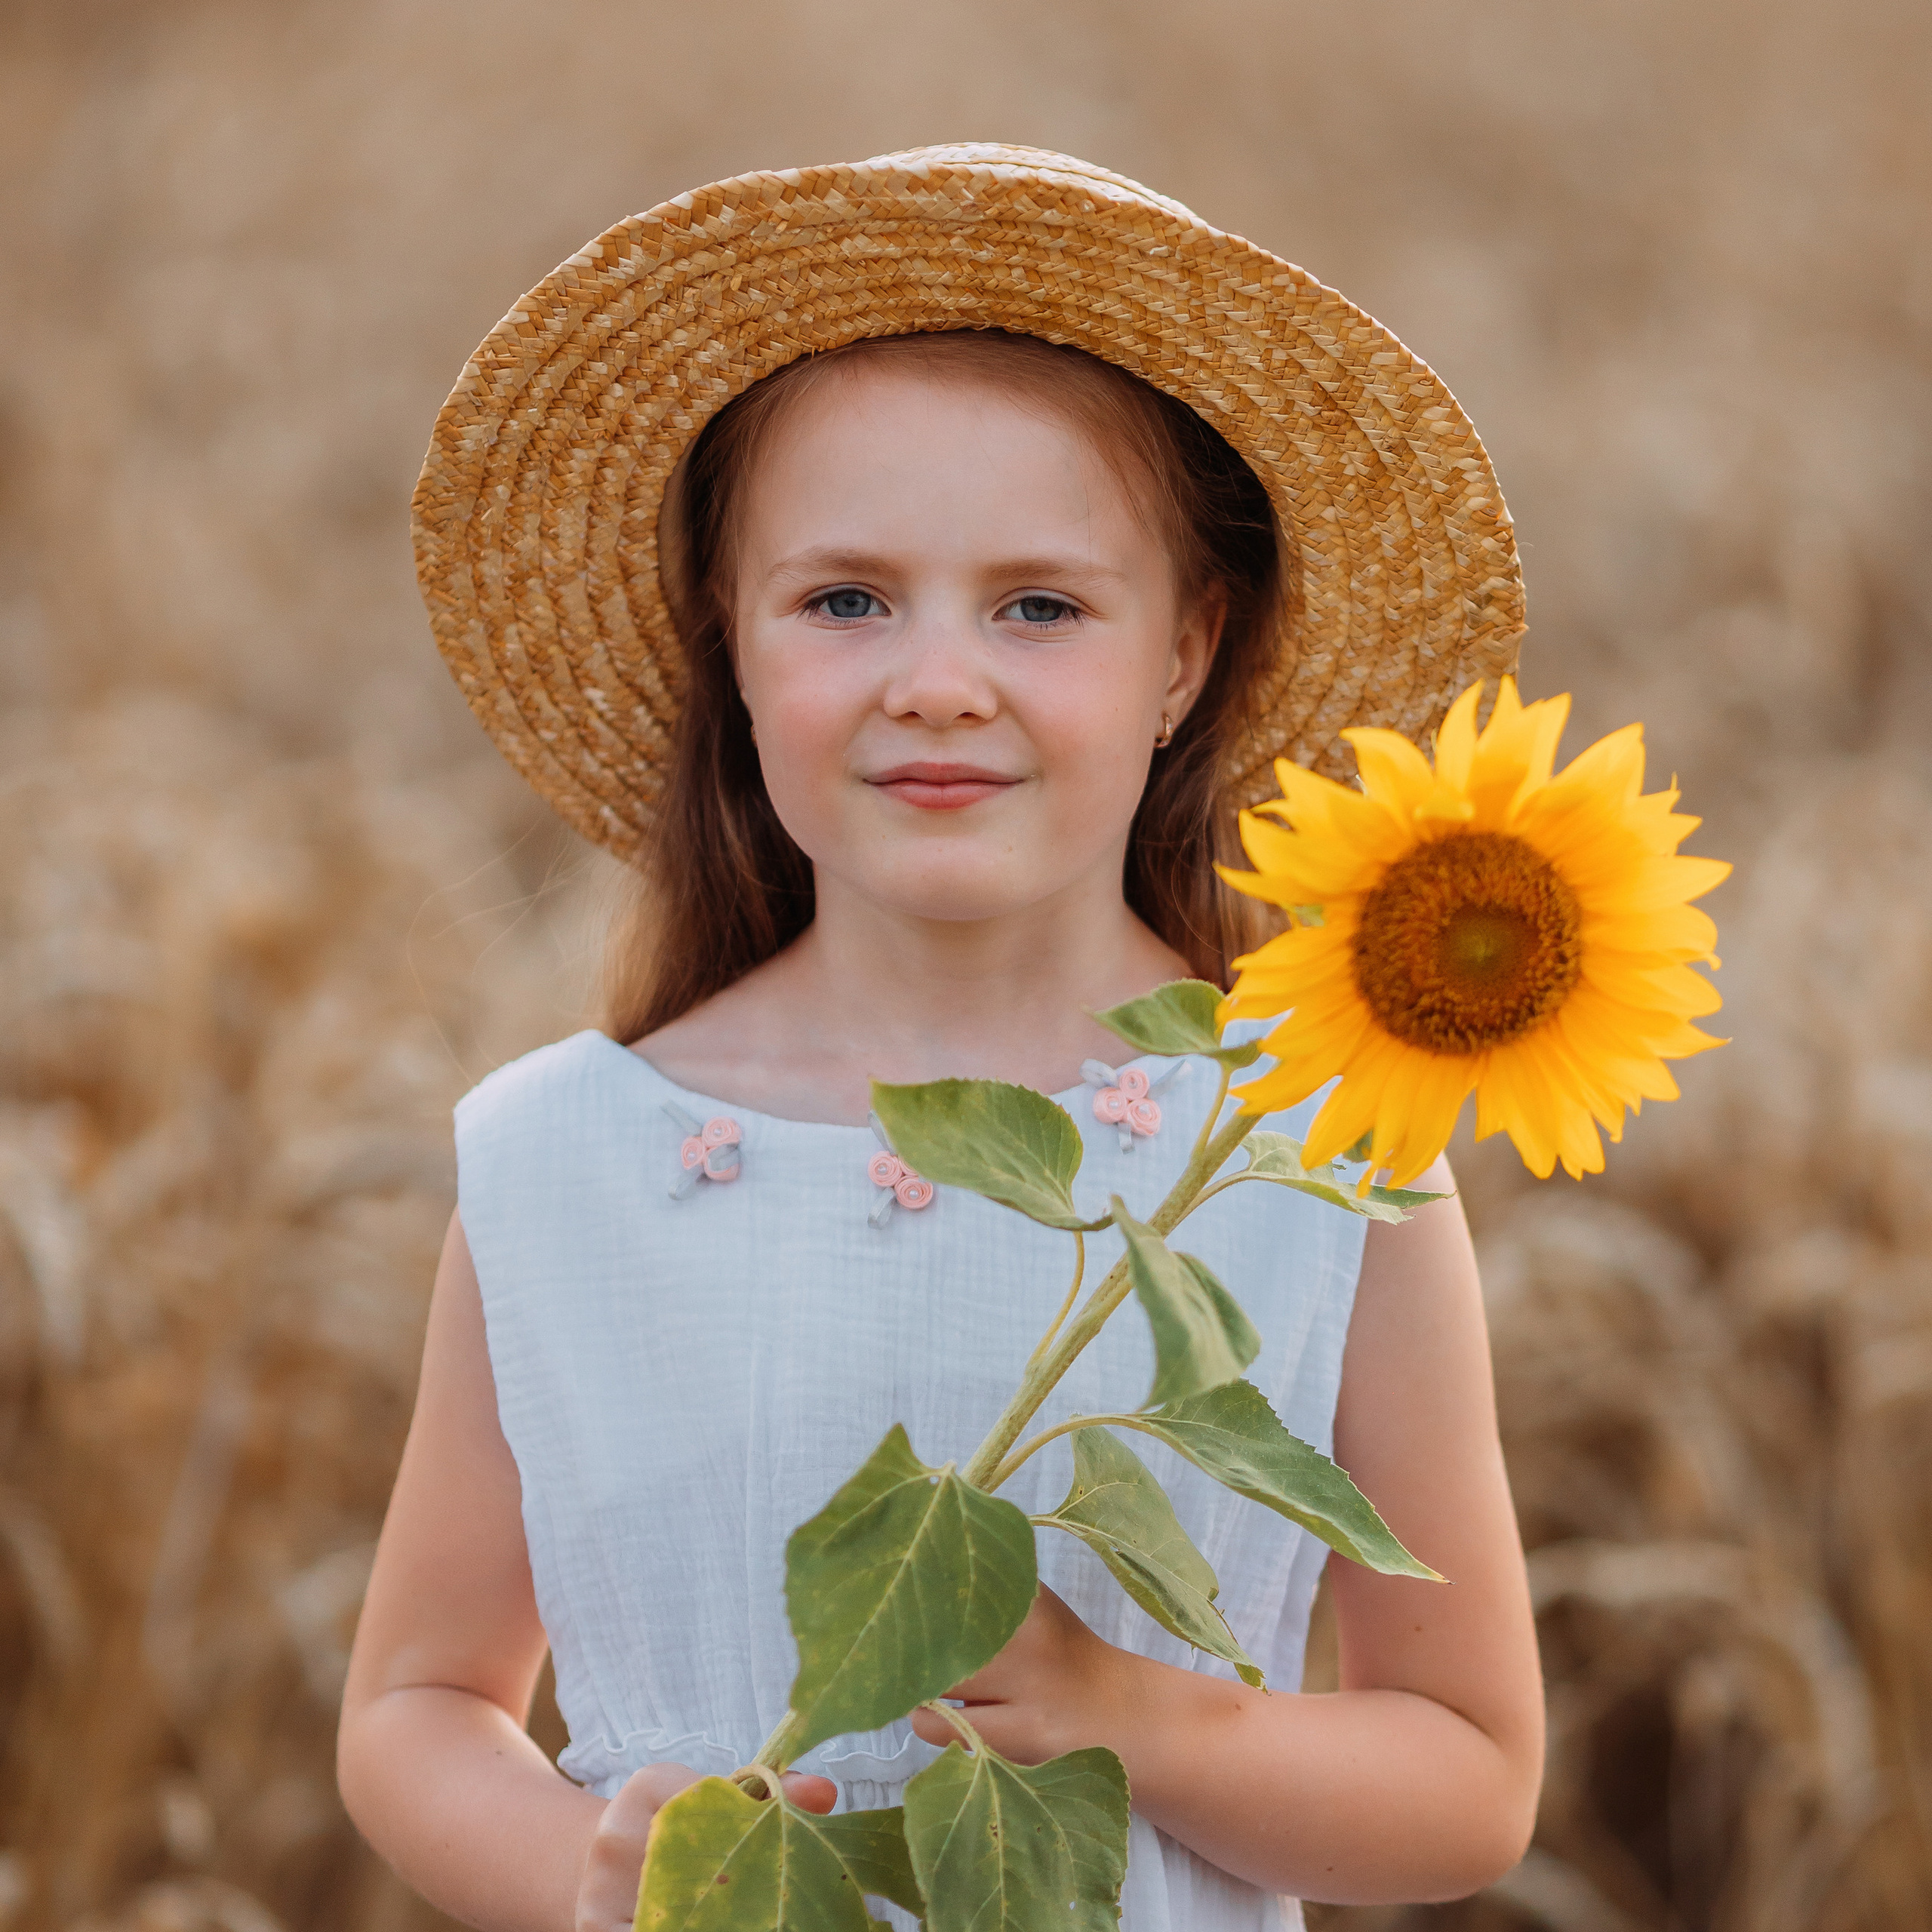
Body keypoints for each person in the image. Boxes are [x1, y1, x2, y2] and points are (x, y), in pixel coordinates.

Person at [340, 146, 1544, 1931]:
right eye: (842, 600)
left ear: (1184, 653)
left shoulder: (1314, 1148)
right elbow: (413, 1704)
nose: (935, 679)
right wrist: (603, 1883)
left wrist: (1138, 1717)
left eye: (1038, 604)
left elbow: (1467, 1773)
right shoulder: (568, 1158)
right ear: (727, 647)